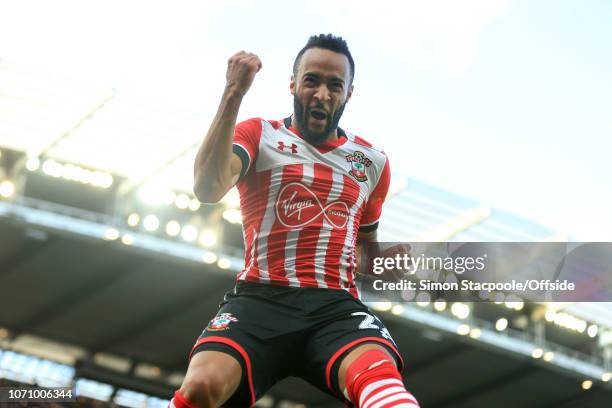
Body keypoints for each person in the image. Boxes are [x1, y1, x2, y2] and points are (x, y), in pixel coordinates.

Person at [169, 34, 420, 408]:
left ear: (349, 93)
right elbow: (207, 187)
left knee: (386, 391)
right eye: (312, 80)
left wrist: (382, 265)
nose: (322, 94)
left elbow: (363, 252)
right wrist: (233, 93)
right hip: (259, 302)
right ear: (293, 83)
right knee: (202, 387)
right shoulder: (260, 135)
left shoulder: (371, 163)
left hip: (335, 310)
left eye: (335, 85)